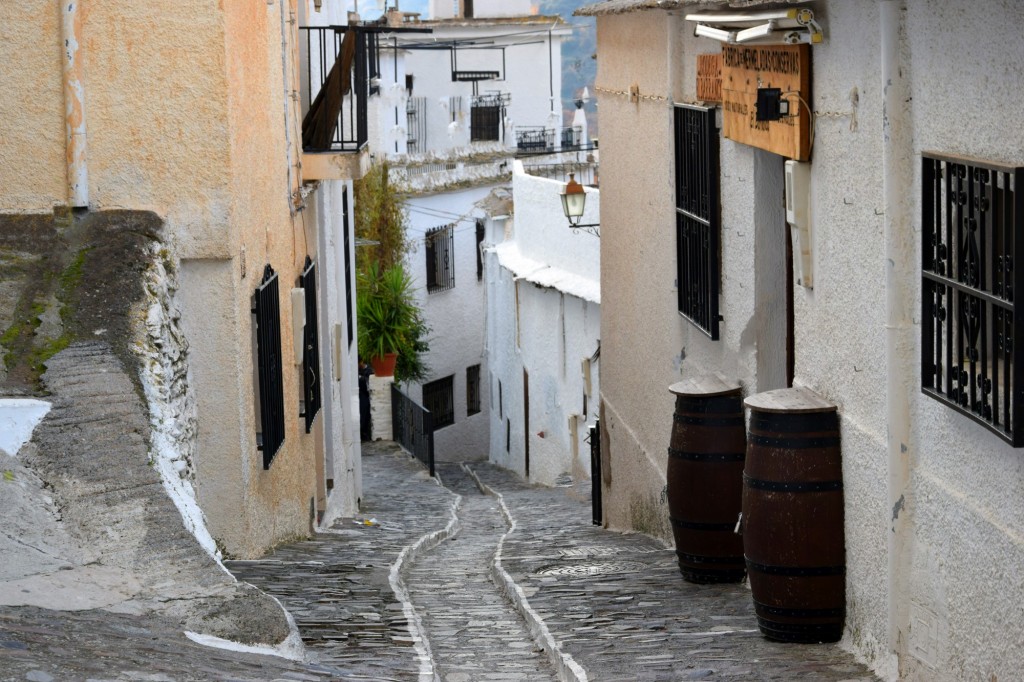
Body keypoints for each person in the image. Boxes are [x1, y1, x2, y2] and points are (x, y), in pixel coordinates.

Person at [358, 357, 373, 441]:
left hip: (365, 397)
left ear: (361, 362)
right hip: (360, 396)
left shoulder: (369, 371)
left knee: (364, 414)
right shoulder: (358, 371)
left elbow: (367, 385)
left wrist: (360, 378)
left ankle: (364, 432)